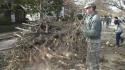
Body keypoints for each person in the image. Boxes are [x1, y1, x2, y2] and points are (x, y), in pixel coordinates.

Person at [82, 2, 102, 70]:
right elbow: (87, 26)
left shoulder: (96, 18)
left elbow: (94, 33)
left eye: (87, 8)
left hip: (94, 43)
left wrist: (83, 32)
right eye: (86, 8)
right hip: (90, 42)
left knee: (94, 62)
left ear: (91, 8)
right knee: (89, 60)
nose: (86, 10)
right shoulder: (90, 17)